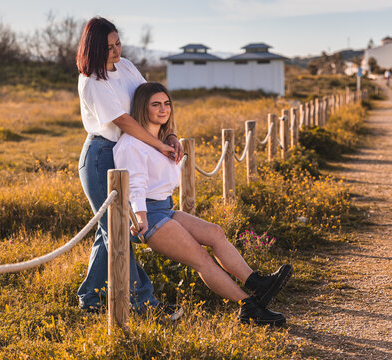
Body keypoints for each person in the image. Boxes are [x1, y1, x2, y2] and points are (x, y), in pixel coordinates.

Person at [113, 82, 293, 326]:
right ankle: (247, 306)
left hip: (164, 208)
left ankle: (257, 283)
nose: (163, 109)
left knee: (215, 233)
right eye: (155, 104)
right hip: (146, 214)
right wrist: (141, 217)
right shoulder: (132, 144)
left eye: (166, 104)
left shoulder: (162, 139)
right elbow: (134, 185)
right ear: (142, 108)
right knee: (201, 259)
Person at [76, 17, 184, 316]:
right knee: (119, 229)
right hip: (102, 156)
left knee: (107, 229)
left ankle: (91, 298)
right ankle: (143, 303)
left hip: (133, 149)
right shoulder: (92, 80)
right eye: (108, 47)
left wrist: (169, 134)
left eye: (117, 43)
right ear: (93, 48)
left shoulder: (125, 66)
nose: (115, 51)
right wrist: (158, 145)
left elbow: (149, 100)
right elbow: (123, 120)